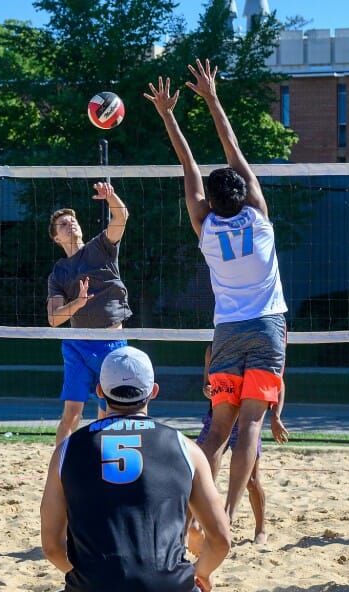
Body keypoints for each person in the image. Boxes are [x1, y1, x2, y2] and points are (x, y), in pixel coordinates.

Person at [146, 61, 288, 524]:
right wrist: (211, 97)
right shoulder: (259, 215)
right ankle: (226, 512)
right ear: (245, 193)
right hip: (266, 328)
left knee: (218, 430)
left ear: (210, 200)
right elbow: (233, 146)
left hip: (226, 331)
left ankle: (193, 515)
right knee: (249, 425)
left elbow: (187, 163)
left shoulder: (204, 224)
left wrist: (168, 114)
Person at [39, 346, 231, 592]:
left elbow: (52, 546)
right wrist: (201, 573)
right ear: (153, 391)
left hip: (91, 591)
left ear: (99, 391)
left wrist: (85, 572)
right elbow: (221, 539)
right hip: (169, 588)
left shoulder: (67, 450)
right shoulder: (187, 449)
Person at [46, 181, 132, 446]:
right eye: (63, 224)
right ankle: (59, 469)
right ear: (56, 238)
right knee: (71, 414)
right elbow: (54, 319)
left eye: (73, 221)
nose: (70, 224)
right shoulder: (59, 273)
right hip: (78, 343)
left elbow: (122, 216)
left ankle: (100, 464)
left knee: (109, 413)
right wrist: (78, 303)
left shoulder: (100, 247)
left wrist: (110, 196)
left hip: (111, 344)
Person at [194, 345, 288, 545]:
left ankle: (260, 529)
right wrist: (207, 389)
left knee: (251, 480)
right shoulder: (213, 348)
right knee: (200, 474)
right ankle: (197, 525)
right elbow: (205, 384)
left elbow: (278, 383)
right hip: (217, 418)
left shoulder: (257, 345)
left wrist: (276, 416)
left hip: (245, 423)